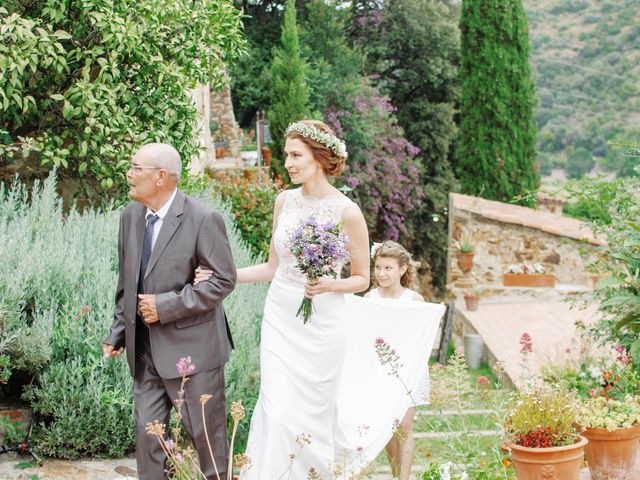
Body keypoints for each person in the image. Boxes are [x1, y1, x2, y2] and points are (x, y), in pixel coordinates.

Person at [102, 143, 236, 480]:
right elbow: (127, 279)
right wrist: (119, 330)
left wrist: (165, 306)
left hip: (194, 353)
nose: (129, 174)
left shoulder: (204, 219)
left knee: (207, 443)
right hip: (144, 351)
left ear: (161, 177)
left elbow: (222, 280)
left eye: (136, 167)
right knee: (150, 443)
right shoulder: (130, 216)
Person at [365, 241, 427, 480]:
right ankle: (396, 474)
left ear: (402, 269)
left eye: (388, 268)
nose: (381, 273)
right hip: (379, 370)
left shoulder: (414, 300)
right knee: (388, 429)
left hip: (408, 369)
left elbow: (420, 338)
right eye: (378, 267)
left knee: (404, 427)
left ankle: (405, 478)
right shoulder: (369, 298)